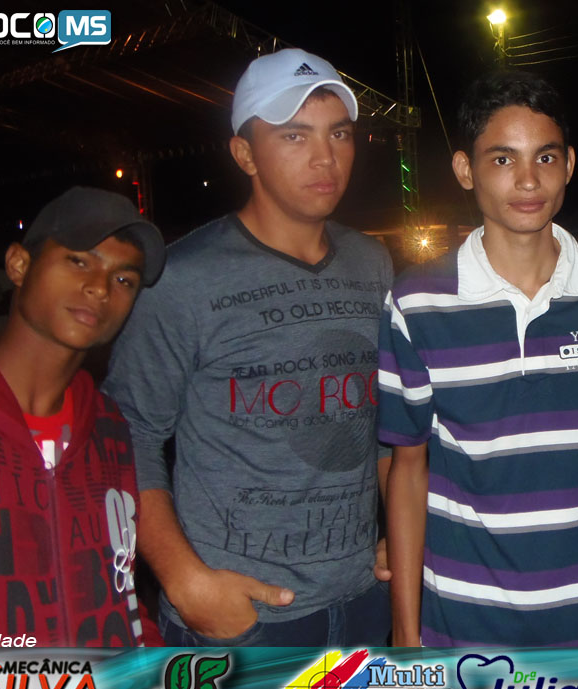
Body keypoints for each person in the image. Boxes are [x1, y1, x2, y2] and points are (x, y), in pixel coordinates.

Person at [104, 48, 393, 647]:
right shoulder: (183, 277)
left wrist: (403, 532)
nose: (325, 157)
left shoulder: (373, 264)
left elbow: (388, 421)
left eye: (339, 133)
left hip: (364, 597)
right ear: (244, 154)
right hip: (240, 616)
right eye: (294, 136)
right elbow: (128, 432)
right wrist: (183, 580)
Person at [378, 70, 578, 647]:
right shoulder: (417, 302)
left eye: (546, 157)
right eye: (503, 159)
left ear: (569, 165)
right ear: (465, 169)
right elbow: (408, 469)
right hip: (463, 626)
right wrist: (405, 628)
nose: (528, 180)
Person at [0, 186, 166, 646]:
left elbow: (122, 591)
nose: (100, 287)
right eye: (79, 260)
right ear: (19, 265)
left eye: (124, 280)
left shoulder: (110, 429)